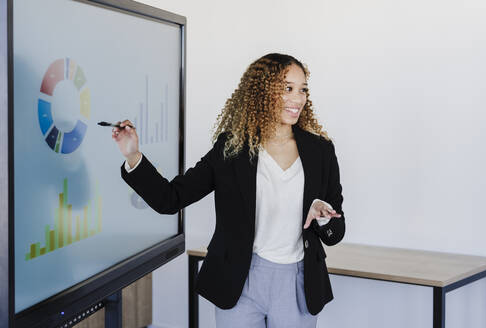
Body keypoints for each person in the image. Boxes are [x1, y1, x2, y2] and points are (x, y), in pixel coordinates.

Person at [112, 53, 345, 328]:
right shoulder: (231, 149)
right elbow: (170, 198)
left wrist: (323, 216)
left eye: (302, 89)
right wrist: (133, 156)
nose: (298, 98)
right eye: (287, 88)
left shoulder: (321, 152)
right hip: (239, 281)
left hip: (297, 282)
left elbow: (335, 234)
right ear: (262, 92)